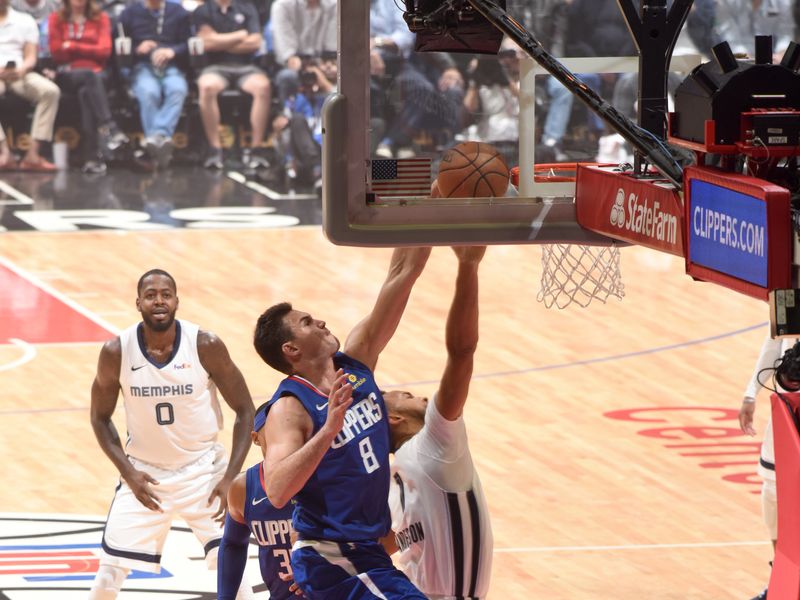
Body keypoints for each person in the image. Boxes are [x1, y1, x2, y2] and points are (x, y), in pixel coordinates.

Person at [253, 246, 432, 599]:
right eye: (306, 322)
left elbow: (403, 271)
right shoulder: (290, 408)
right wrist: (329, 430)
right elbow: (276, 489)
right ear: (291, 350)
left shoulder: (356, 363)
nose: (319, 321)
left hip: (368, 547)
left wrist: (426, 211)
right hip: (333, 555)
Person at [88, 268, 256, 600]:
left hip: (203, 471)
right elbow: (100, 417)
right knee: (108, 574)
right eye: (151, 295)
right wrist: (129, 473)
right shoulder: (115, 351)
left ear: (177, 300)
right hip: (145, 476)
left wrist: (230, 478)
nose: (159, 301)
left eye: (166, 294)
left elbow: (246, 410)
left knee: (232, 569)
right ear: (138, 303)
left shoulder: (205, 344)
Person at [382, 246, 493, 599]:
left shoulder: (400, 473)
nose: (424, 397)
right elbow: (462, 352)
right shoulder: (434, 444)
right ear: (394, 418)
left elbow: (380, 545)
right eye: (405, 394)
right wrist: (468, 265)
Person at [217, 401, 301, 600]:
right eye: (274, 430)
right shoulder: (243, 487)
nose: (284, 437)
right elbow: (234, 544)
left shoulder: (324, 478)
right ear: (256, 438)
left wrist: (320, 571)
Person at [740, 330, 798, 600]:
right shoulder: (789, 292)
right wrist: (751, 393)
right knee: (773, 495)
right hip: (788, 411)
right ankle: (782, 580)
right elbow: (775, 340)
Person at [48, 0, 129, 174]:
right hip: (67, 74)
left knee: (88, 90)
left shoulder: (100, 18)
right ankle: (110, 129)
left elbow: (104, 51)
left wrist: (72, 46)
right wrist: (87, 49)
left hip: (96, 74)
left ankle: (92, 159)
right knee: (89, 77)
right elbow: (57, 52)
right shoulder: (56, 18)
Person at [192, 0, 272, 170]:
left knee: (263, 87)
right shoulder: (203, 10)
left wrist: (219, 42)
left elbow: (255, 42)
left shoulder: (247, 8)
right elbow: (206, 43)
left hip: (246, 67)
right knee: (206, 87)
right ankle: (215, 150)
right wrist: (240, 35)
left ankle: (256, 150)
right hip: (215, 67)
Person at [118, 0, 192, 168]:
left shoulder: (178, 11)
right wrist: (137, 48)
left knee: (178, 89)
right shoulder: (129, 13)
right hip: (142, 66)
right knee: (149, 91)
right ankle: (161, 144)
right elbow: (119, 44)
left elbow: (188, 43)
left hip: (171, 66)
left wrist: (172, 51)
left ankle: (156, 138)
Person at [0, 0, 60, 171]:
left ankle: (33, 155)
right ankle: (4, 152)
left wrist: (22, 69)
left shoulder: (24, 20)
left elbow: (31, 56)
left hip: (21, 73)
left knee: (50, 91)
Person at [269, 0, 337, 103]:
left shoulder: (335, 5)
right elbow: (288, 56)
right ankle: (287, 114)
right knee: (288, 76)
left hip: (324, 63)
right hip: (292, 67)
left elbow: (332, 49)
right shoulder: (282, 6)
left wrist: (324, 70)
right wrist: (310, 69)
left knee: (346, 73)